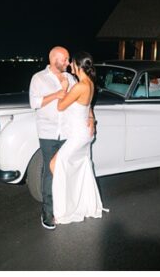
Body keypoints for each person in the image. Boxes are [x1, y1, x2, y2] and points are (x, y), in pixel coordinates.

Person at [50, 52, 106, 224]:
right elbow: (87, 107)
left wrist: (64, 87)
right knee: (80, 167)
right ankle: (82, 203)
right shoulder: (89, 84)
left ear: (78, 65)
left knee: (56, 165)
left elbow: (60, 106)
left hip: (79, 135)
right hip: (84, 133)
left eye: (72, 63)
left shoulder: (80, 86)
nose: (70, 65)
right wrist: (91, 119)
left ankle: (65, 210)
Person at [28, 46, 76, 230]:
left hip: (67, 132)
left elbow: (78, 101)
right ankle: (47, 212)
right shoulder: (38, 78)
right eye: (65, 59)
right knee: (50, 172)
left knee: (65, 170)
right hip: (48, 133)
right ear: (55, 59)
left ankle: (63, 207)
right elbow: (34, 102)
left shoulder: (70, 78)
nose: (68, 63)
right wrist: (56, 94)